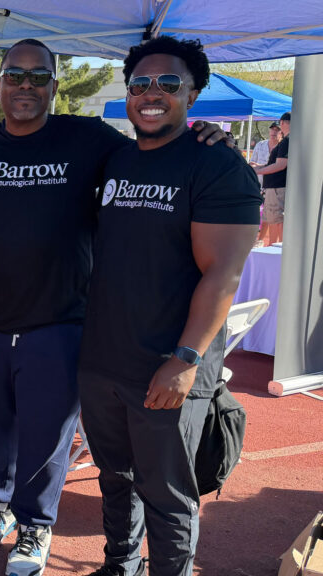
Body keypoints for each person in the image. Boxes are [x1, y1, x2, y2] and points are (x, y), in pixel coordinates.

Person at [0, 38, 229, 576]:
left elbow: (154, 145)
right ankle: (0, 502)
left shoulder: (89, 139)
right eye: (16, 75)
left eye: (40, 77)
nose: (27, 86)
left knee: (46, 433)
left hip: (60, 320)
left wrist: (205, 137)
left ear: (56, 86)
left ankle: (36, 523)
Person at [79, 37, 260, 576]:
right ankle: (121, 564)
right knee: (114, 478)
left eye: (168, 83)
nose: (151, 93)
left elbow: (223, 274)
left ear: (194, 93)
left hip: (170, 363)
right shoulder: (113, 160)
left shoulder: (219, 166)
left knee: (167, 494)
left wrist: (184, 360)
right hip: (102, 359)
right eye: (140, 83)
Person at [255, 111, 290, 246]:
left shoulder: (287, 141)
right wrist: (258, 168)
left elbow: (281, 165)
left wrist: (260, 171)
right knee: (271, 220)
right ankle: (272, 249)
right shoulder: (286, 140)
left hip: (277, 187)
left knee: (277, 221)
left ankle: (277, 253)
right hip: (273, 187)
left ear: (282, 123)